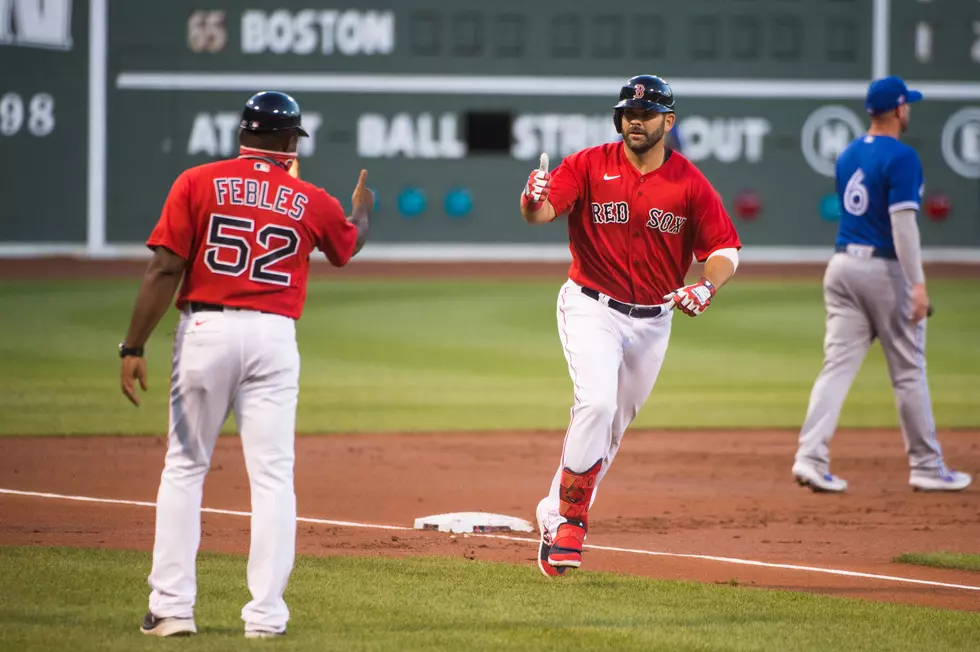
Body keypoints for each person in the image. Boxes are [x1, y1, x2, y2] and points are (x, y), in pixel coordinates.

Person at [118, 91, 373, 637]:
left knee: (185, 469)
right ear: (289, 142)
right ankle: (265, 618)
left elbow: (164, 269)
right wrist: (362, 207)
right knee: (273, 478)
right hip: (275, 338)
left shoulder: (196, 181)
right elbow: (348, 247)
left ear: (243, 134)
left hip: (206, 331)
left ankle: (171, 610)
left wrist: (133, 346)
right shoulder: (311, 198)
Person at [520, 75, 743, 577]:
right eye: (628, 113)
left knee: (613, 429)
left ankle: (553, 511)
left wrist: (706, 286)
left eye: (646, 114)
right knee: (595, 403)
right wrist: (532, 199)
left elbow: (725, 250)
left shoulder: (689, 182)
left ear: (669, 120)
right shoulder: (588, 164)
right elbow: (542, 212)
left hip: (653, 319)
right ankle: (571, 524)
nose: (635, 121)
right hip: (590, 305)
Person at [791, 76, 971, 494]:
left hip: (841, 266)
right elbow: (903, 224)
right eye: (909, 105)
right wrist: (919, 284)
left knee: (835, 368)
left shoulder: (848, 152)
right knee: (908, 371)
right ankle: (927, 464)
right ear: (899, 109)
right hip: (884, 271)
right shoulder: (903, 157)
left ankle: (809, 457)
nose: (910, 111)